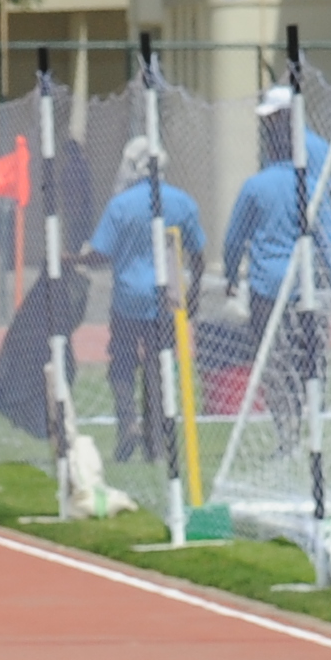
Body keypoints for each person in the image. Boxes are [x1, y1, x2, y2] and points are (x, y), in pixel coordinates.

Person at [216, 88, 331, 439]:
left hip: (267, 285)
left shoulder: (257, 185)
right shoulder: (306, 182)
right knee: (308, 357)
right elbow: (326, 229)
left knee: (275, 361)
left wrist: (231, 275)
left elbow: (233, 239)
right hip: (304, 282)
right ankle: (312, 424)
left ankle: (288, 430)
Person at [86, 144, 204, 471]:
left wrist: (75, 259)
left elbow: (101, 253)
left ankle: (128, 421)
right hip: (166, 298)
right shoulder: (182, 202)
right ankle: (157, 439)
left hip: (128, 296)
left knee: (122, 362)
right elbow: (198, 253)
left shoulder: (121, 205)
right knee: (158, 367)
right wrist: (193, 294)